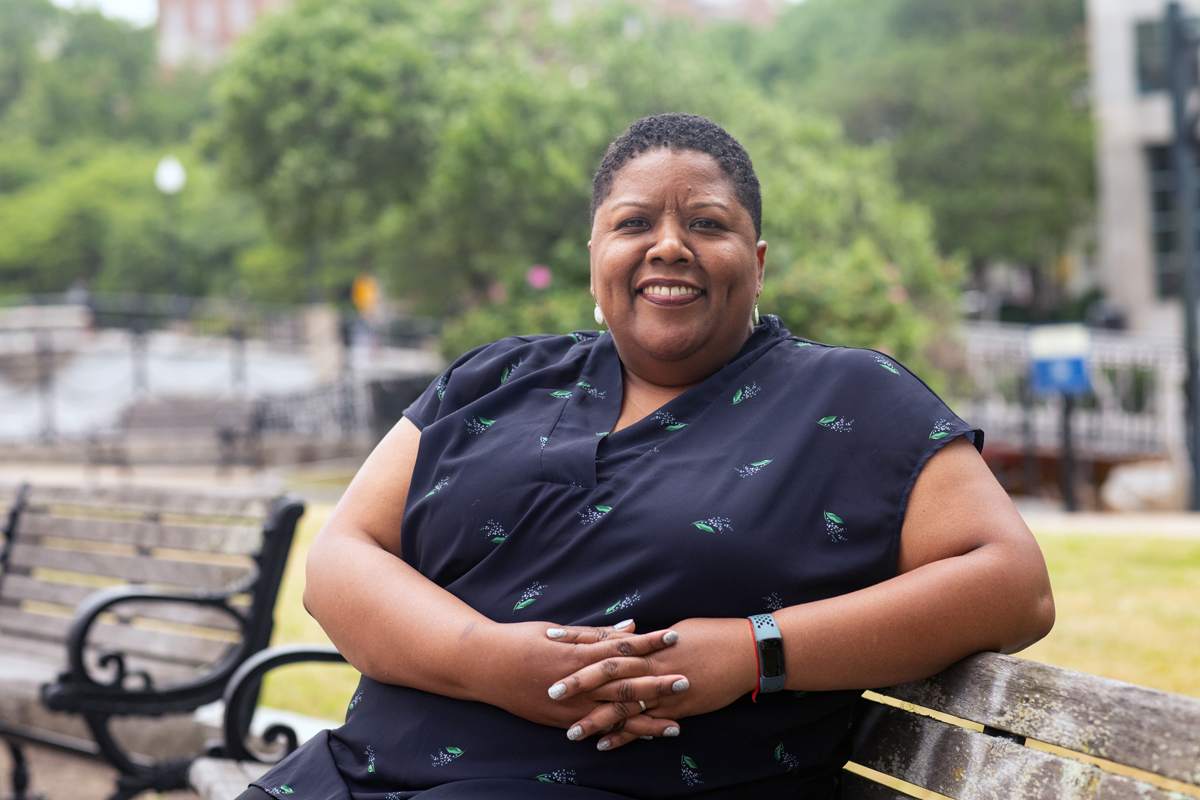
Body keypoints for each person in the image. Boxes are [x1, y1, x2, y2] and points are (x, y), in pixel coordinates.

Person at [243, 114, 1054, 800]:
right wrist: (489, 663)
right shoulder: (497, 377)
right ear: (595, 259)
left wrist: (754, 651)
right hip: (352, 776)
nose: (669, 245)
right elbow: (341, 561)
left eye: (706, 223)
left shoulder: (851, 398)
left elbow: (1012, 586)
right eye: (634, 224)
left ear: (758, 262)